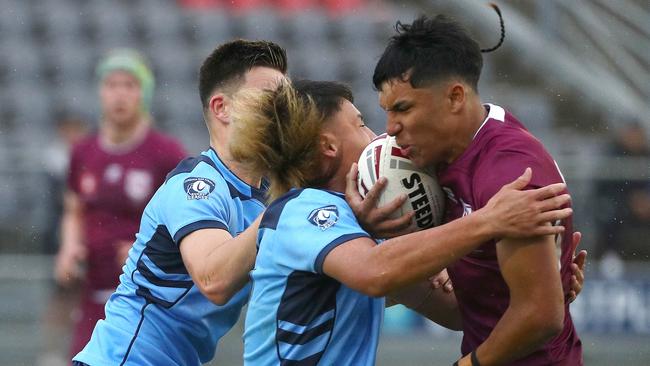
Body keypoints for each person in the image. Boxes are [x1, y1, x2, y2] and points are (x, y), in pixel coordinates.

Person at [229, 80, 574, 365]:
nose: (379, 132)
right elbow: (374, 272)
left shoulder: (361, 231)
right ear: (328, 146)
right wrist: (489, 221)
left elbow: (456, 314)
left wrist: (542, 283)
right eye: (360, 122)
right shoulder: (301, 210)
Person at [367, 13, 584, 365]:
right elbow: (467, 311)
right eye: (386, 111)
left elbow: (541, 314)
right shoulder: (448, 147)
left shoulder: (509, 173)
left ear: (455, 98)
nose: (390, 128)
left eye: (403, 109)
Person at [72, 40, 288, 366]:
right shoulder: (197, 186)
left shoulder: (269, 197)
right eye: (270, 98)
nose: (285, 110)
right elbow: (213, 280)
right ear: (221, 108)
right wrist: (286, 205)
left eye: (288, 99)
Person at [54, 49, 187, 358]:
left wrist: (147, 248)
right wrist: (69, 246)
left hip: (147, 299)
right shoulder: (83, 152)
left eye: (130, 85)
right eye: (112, 85)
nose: (120, 94)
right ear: (100, 91)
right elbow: (74, 210)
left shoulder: (166, 153)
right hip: (93, 295)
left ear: (144, 92)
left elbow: (186, 219)